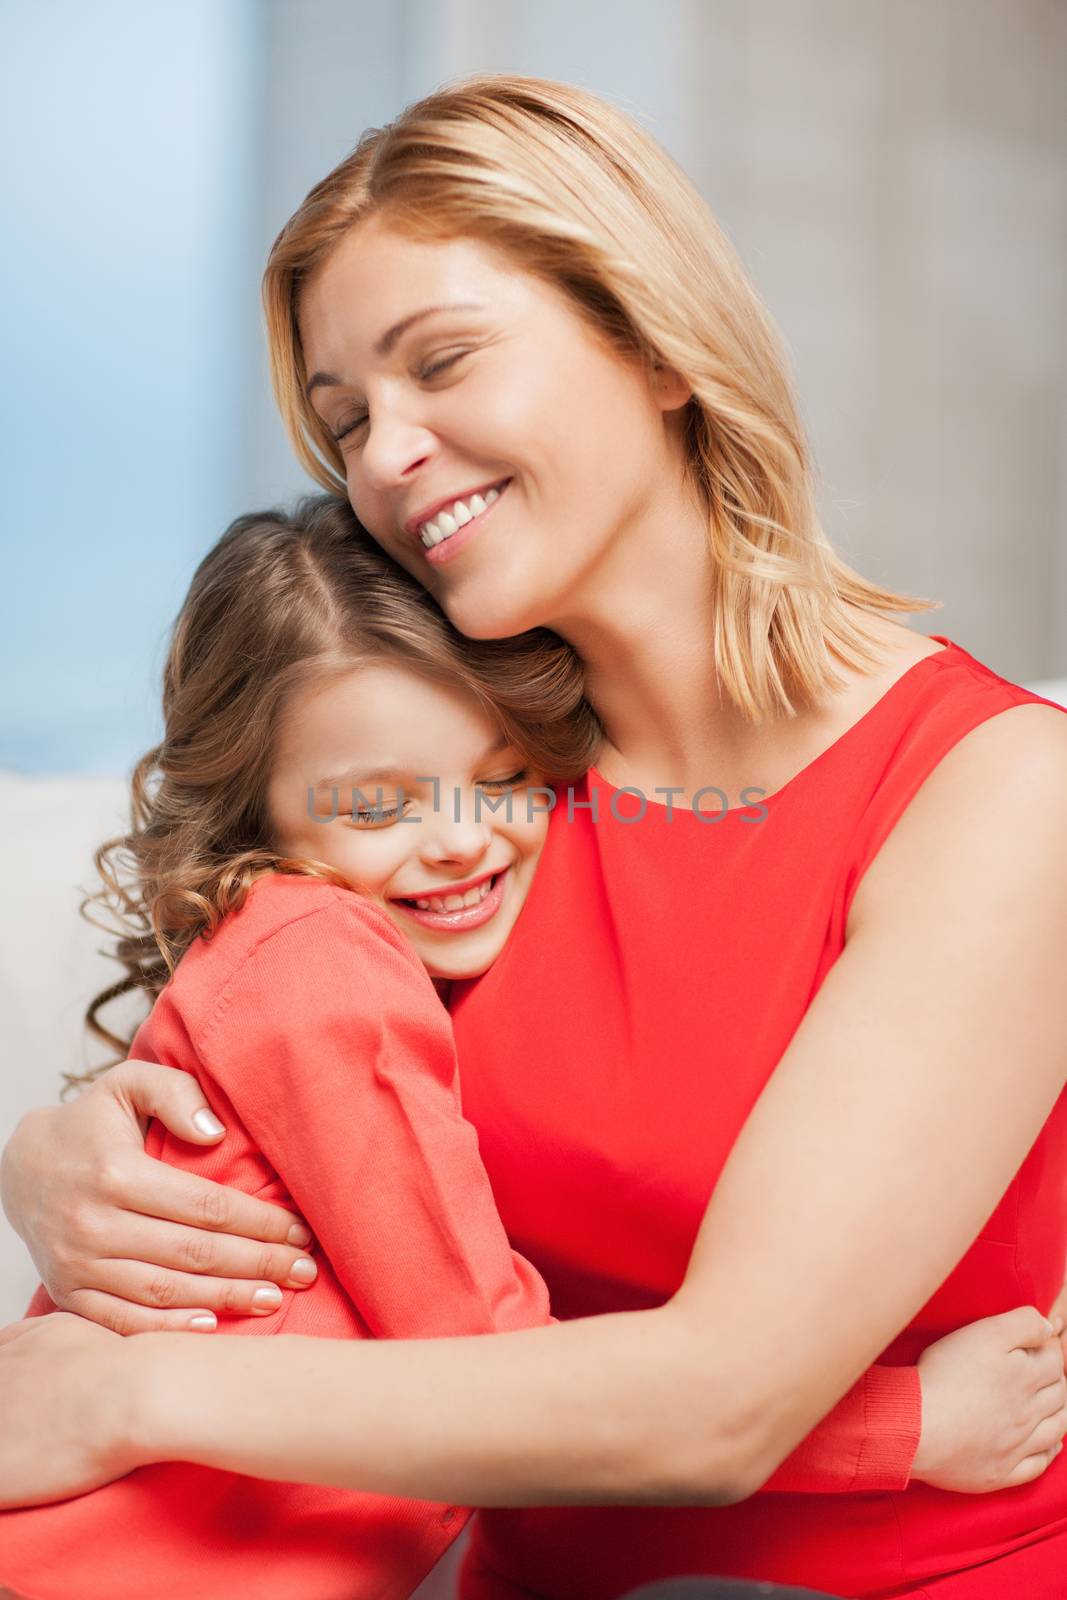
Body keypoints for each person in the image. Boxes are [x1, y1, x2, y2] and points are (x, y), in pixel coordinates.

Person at [2, 74, 1067, 1600]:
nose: (385, 453)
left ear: (648, 344)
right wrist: (56, 1161)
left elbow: (719, 1403)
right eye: (345, 420)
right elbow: (280, 1067)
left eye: (441, 363)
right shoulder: (464, 806)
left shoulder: (990, 791)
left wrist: (120, 1397)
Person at [0, 495, 598, 1599]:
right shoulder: (317, 954)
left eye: (505, 775)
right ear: (255, 821)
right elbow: (498, 1372)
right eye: (378, 806)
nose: (462, 836)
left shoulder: (319, 961)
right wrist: (903, 1430)